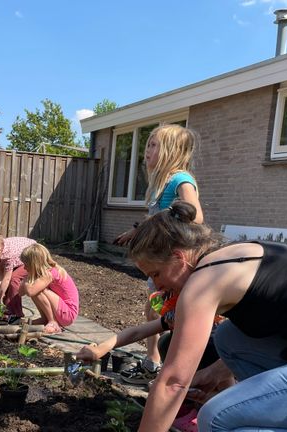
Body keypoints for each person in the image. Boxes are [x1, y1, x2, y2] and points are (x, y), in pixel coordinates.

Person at [78, 201, 287, 432]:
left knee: (217, 416)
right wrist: (212, 375)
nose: (157, 285)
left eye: (156, 273)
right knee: (229, 338)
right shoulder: (234, 255)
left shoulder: (203, 282)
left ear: (180, 258)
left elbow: (173, 382)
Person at [113, 124, 204, 385]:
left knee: (170, 315)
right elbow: (153, 217)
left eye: (154, 145)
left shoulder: (180, 180)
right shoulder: (158, 185)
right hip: (159, 264)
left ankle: (172, 369)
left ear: (171, 151)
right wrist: (135, 231)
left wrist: (166, 219)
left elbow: (196, 215)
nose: (147, 151)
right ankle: (153, 362)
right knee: (153, 310)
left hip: (174, 265)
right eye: (148, 145)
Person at [18, 243, 80, 334]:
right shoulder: (44, 273)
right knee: (35, 288)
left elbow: (30, 291)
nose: (24, 267)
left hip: (68, 314)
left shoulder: (50, 273)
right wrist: (28, 279)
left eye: (26, 264)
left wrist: (27, 278)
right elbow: (20, 292)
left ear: (34, 264)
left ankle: (52, 322)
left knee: (37, 290)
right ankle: (46, 319)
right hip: (62, 311)